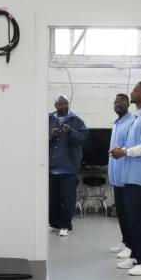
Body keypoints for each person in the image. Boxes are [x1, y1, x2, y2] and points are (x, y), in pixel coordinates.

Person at [109, 81, 141, 276]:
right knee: (133, 221)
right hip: (132, 179)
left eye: (136, 90)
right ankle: (136, 257)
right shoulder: (137, 117)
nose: (132, 92)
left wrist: (123, 152)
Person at [48, 95, 87, 237]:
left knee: (68, 199)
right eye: (60, 104)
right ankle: (55, 223)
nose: (63, 106)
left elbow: (83, 139)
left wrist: (70, 132)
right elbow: (39, 139)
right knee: (52, 199)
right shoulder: (48, 119)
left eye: (66, 104)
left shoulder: (76, 120)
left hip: (68, 168)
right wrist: (50, 136)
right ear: (55, 105)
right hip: (51, 168)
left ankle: (66, 225)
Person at [107, 94, 134, 259]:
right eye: (115, 101)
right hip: (116, 175)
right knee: (122, 213)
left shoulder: (131, 122)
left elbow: (129, 149)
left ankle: (131, 246)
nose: (117, 104)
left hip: (126, 175)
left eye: (121, 101)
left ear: (128, 104)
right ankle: (125, 241)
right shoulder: (117, 123)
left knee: (129, 214)